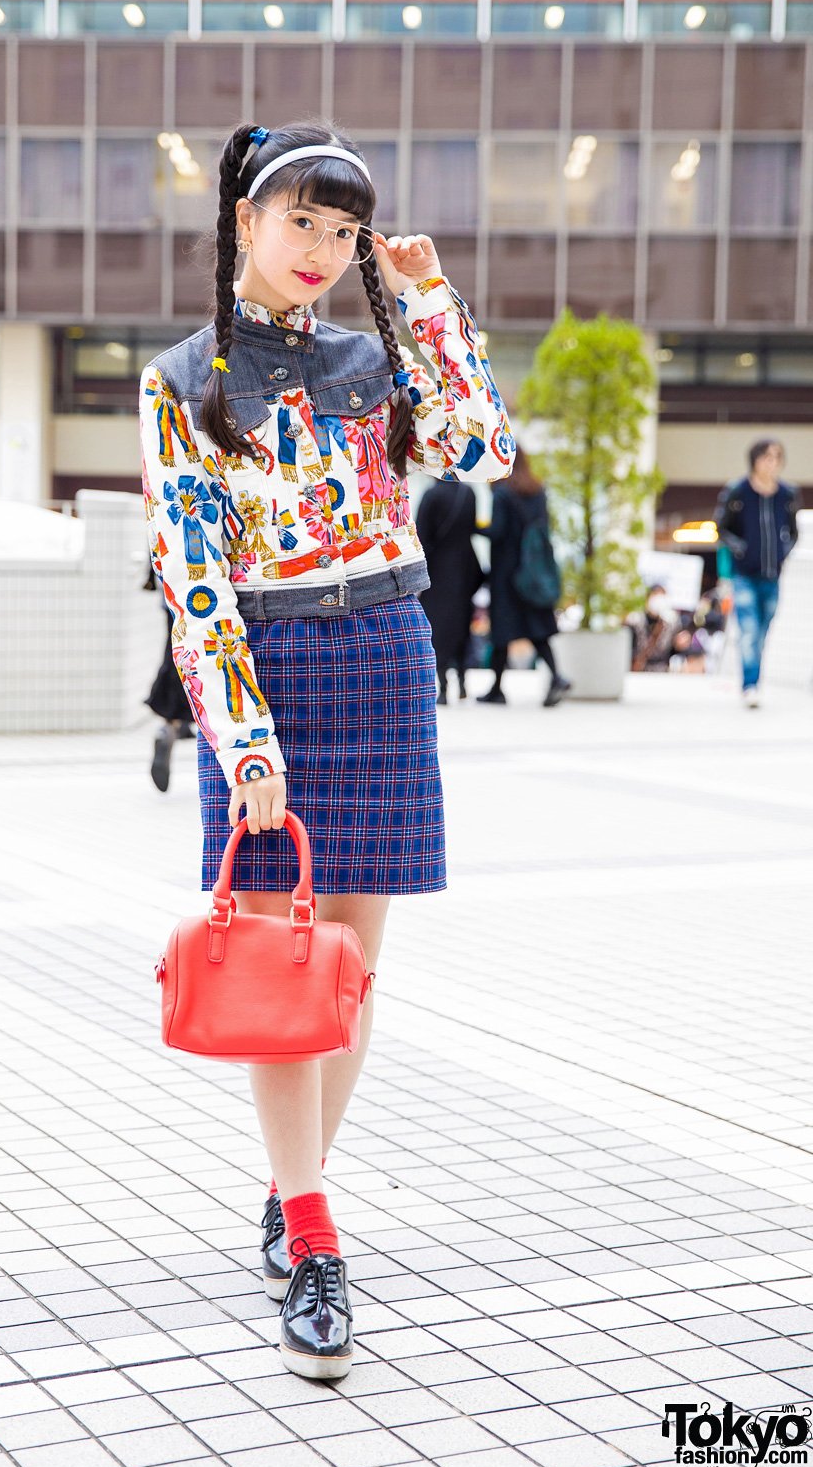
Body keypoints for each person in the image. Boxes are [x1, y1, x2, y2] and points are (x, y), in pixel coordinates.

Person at [138, 121, 515, 1380]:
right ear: (243, 219)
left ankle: (291, 1194)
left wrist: (424, 298)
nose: (322, 249)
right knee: (286, 973)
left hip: (389, 656)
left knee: (343, 972)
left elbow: (479, 447)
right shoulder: (183, 381)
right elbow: (195, 583)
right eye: (301, 220)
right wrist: (242, 740)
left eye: (342, 230)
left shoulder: (374, 353)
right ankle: (311, 1238)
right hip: (277, 676)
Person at [476, 444, 570, 707]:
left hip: (507, 576)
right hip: (533, 574)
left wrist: (474, 527)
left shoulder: (502, 494)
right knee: (537, 631)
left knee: (503, 632)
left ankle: (497, 689)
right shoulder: (538, 491)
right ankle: (554, 677)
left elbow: (498, 531)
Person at [714, 438, 800, 707]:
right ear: (755, 460)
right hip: (744, 574)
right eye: (766, 457)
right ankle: (750, 685)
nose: (772, 463)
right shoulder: (738, 491)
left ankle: (753, 680)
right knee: (749, 629)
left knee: (762, 631)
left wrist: (783, 552)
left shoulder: (787, 494)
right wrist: (741, 549)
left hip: (773, 574)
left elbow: (793, 531)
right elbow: (722, 527)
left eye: (777, 457)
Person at [415, 480, 484, 704]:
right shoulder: (469, 493)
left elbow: (421, 537)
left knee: (438, 628)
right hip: (465, 570)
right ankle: (463, 681)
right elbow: (471, 528)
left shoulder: (431, 495)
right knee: (462, 626)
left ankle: (443, 687)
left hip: (437, 572)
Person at [144, 596, 196, 793]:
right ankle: (175, 725)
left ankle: (171, 727)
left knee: (177, 652)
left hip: (173, 594)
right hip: (205, 595)